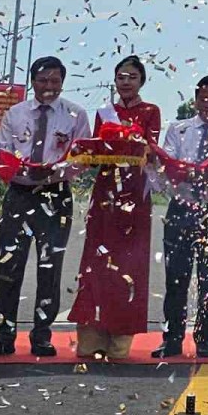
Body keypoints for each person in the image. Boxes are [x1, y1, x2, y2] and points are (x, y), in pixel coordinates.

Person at [0, 55, 90, 357]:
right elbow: (1, 151)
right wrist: (21, 169)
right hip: (20, 194)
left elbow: (82, 158)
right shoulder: (15, 113)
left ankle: (42, 335)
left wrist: (56, 171)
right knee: (10, 266)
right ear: (33, 81)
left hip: (55, 196)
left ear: (63, 82)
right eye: (42, 80)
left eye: (55, 81)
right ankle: (3, 335)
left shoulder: (75, 114)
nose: (48, 86)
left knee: (49, 267)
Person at [68, 55, 161, 360]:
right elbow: (97, 150)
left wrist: (131, 144)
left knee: (128, 265)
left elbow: (151, 148)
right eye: (121, 77)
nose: (126, 82)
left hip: (135, 192)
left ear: (142, 81)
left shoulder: (151, 112)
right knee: (97, 262)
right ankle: (91, 339)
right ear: (115, 80)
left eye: (132, 77)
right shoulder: (104, 113)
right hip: (106, 190)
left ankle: (120, 340)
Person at [153, 75, 208, 359]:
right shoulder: (178, 130)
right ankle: (172, 337)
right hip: (181, 207)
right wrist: (184, 172)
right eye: (204, 98)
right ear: (195, 99)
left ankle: (204, 338)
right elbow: (167, 162)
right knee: (176, 276)